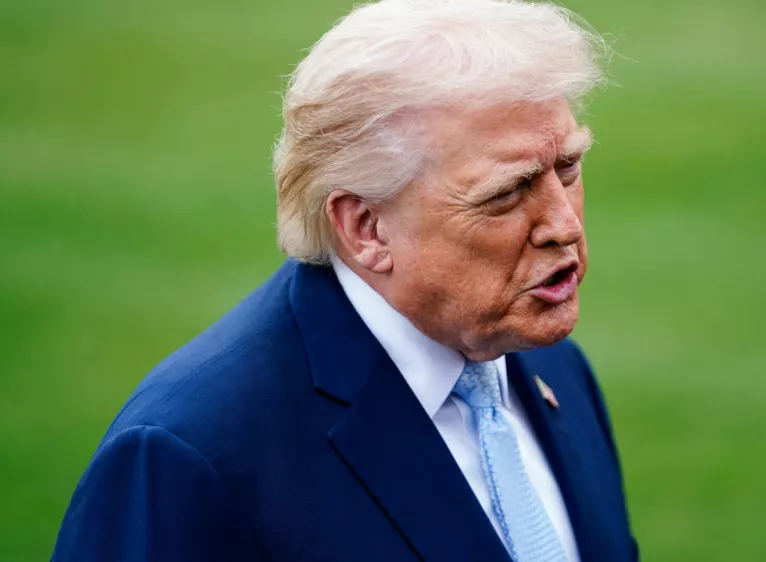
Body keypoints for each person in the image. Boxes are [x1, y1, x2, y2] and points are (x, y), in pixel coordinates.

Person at [52, 0, 637, 560]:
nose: (563, 224)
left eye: (568, 167)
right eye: (506, 193)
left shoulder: (550, 367)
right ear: (366, 228)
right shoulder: (189, 455)